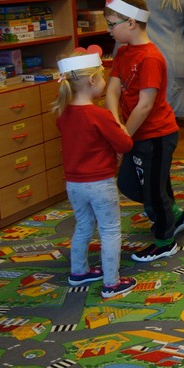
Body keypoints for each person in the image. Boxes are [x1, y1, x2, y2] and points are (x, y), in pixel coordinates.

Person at [104, 0, 184, 263]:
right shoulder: (123, 53)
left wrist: (123, 137)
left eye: (112, 24)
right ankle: (174, 215)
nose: (109, 30)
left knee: (153, 190)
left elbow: (145, 105)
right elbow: (112, 90)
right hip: (133, 133)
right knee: (135, 183)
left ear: (131, 22)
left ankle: (166, 241)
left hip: (157, 135)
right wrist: (117, 126)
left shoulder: (151, 58)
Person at [52, 48, 137, 299]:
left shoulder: (63, 114)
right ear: (91, 81)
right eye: (102, 77)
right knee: (110, 230)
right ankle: (111, 283)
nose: (104, 82)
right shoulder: (100, 115)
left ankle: (78, 271)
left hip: (74, 184)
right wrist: (121, 130)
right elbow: (125, 145)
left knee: (83, 225)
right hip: (100, 183)